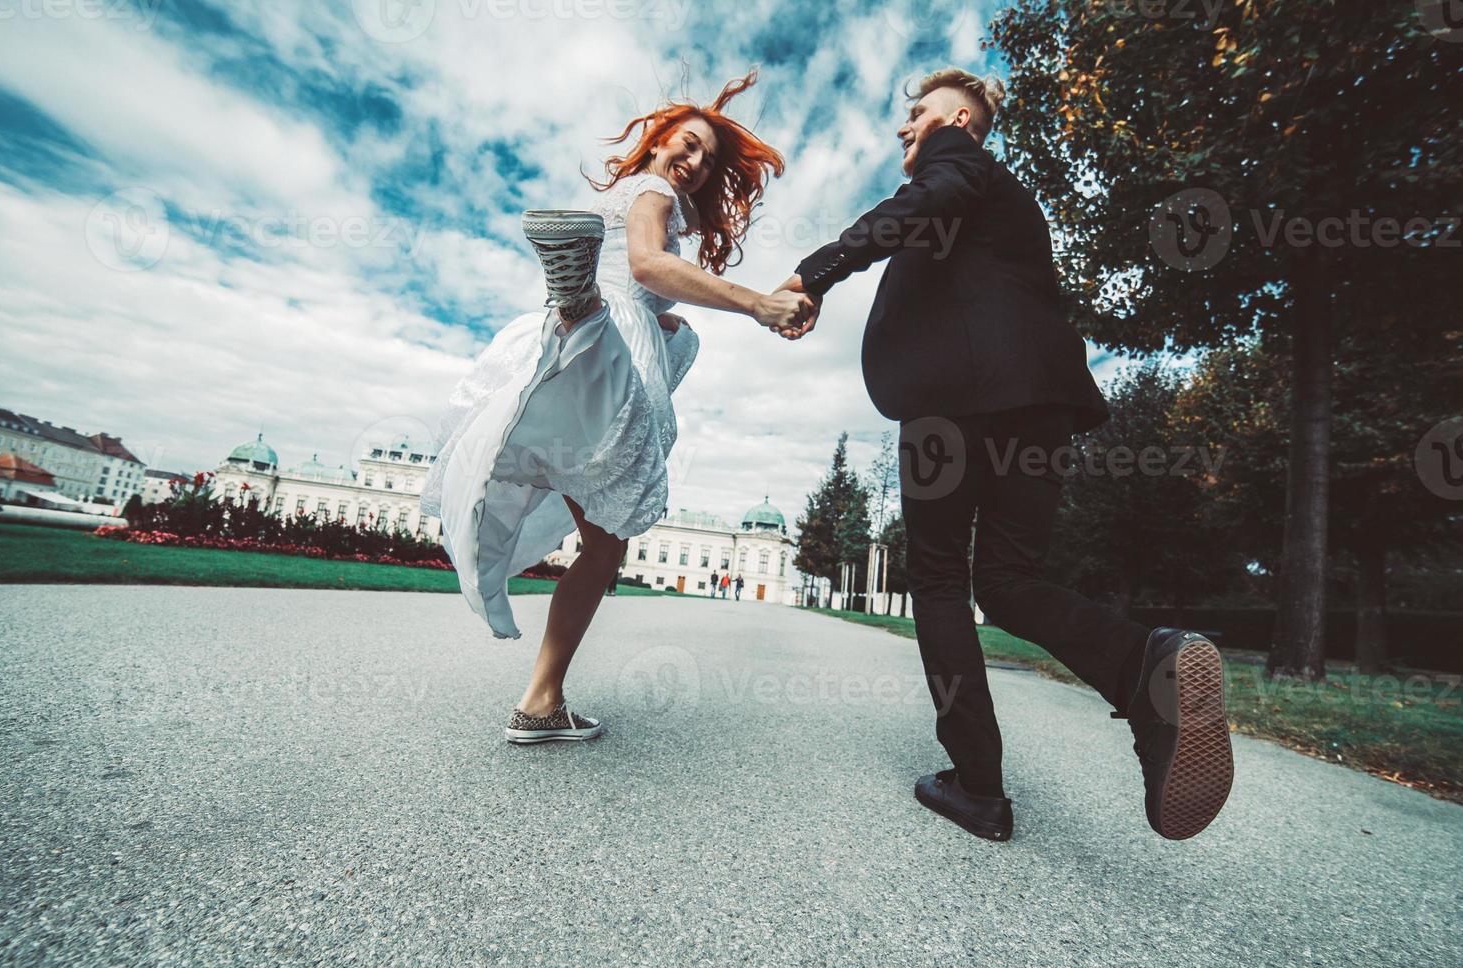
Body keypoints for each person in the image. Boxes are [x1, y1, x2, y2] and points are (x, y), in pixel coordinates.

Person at [776, 67, 1233, 842]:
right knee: (1012, 582)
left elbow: (925, 200)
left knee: (941, 580)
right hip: (1039, 405)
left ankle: (979, 784)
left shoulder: (956, 160)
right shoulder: (1009, 202)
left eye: (915, 113)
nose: (904, 128)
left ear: (957, 117)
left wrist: (814, 272)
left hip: (954, 405)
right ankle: (1140, 666)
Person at [420, 72, 814, 745]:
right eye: (686, 145)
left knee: (602, 541)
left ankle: (543, 699)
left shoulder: (644, 195)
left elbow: (644, 276)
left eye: (707, 160)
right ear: (657, 140)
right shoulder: (652, 190)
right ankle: (541, 699)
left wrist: (665, 326)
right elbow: (646, 266)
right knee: (605, 542)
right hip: (613, 355)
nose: (692, 164)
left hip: (608, 341)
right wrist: (755, 302)